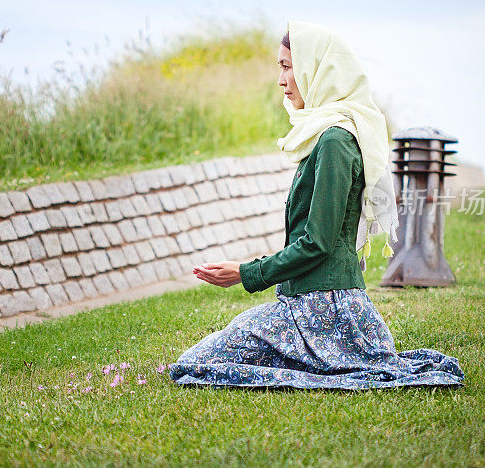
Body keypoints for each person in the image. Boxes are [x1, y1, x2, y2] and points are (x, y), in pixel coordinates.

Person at [167, 21, 465, 390]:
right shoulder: (325, 136)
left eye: (287, 66)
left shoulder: (336, 142)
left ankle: (320, 356)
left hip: (324, 308)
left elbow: (317, 242)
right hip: (305, 303)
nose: (281, 79)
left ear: (316, 70)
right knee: (197, 362)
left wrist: (245, 273)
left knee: (193, 365)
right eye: (281, 66)